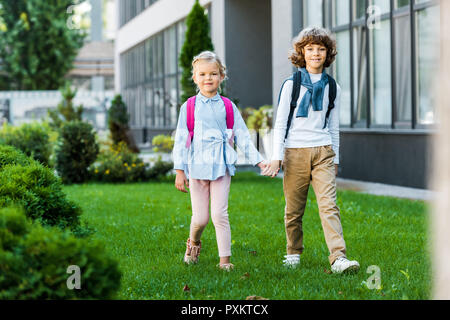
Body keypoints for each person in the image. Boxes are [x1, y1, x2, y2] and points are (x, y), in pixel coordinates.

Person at [265, 27, 360, 274]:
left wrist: (335, 157)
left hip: (323, 152)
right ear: (302, 52)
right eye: (310, 49)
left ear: (327, 53)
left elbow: (334, 125)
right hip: (295, 152)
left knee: (329, 205)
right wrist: (277, 157)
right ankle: (293, 252)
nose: (315, 53)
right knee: (294, 209)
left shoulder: (332, 86)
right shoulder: (291, 85)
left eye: (321, 49)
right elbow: (281, 123)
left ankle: (338, 258)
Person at [172, 51, 266, 271]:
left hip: (222, 168)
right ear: (195, 77)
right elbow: (181, 139)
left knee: (219, 215)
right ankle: (193, 242)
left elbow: (242, 136)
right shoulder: (189, 107)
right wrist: (179, 170)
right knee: (201, 218)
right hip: (197, 168)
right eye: (202, 74)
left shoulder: (228, 106)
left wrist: (259, 162)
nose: (208, 78)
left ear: (222, 76)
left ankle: (225, 261)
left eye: (213, 74)